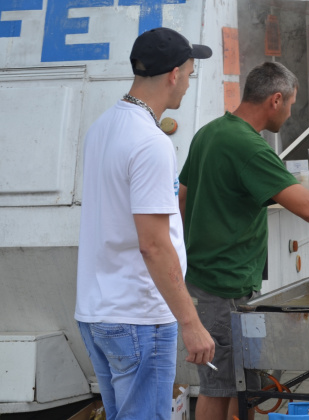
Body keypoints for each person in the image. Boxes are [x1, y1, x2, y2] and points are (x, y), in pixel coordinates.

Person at [178, 61, 309, 420]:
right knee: (222, 388)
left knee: (234, 387)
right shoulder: (249, 147)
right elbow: (308, 207)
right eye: (289, 104)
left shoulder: (210, 132)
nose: (289, 114)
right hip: (224, 283)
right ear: (275, 99)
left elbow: (183, 197)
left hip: (206, 277)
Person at [75, 27, 216, 419]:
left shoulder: (103, 127)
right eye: (189, 73)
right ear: (173, 74)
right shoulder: (151, 142)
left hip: (97, 310)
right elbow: (153, 244)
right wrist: (190, 322)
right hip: (139, 316)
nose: (188, 84)